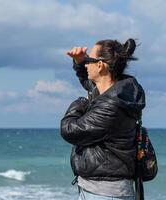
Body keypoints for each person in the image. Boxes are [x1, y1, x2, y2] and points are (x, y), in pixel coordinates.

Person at [60, 39, 146, 200]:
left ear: (100, 65)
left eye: (88, 60)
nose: (86, 64)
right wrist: (79, 62)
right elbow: (89, 84)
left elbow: (70, 131)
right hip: (99, 189)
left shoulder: (111, 105)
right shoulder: (115, 92)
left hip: (105, 193)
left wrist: (80, 102)